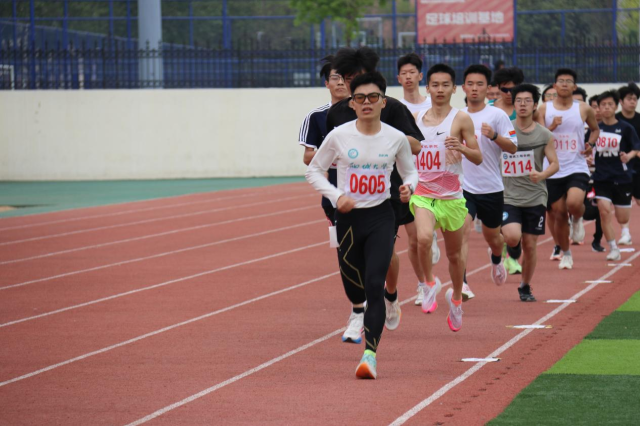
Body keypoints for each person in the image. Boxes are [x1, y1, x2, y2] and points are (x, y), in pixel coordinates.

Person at [306, 71, 418, 379]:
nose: (366, 102)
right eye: (359, 98)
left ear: (383, 101)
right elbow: (313, 171)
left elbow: (410, 171)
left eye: (373, 97)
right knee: (353, 286)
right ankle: (359, 310)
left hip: (382, 216)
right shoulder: (339, 135)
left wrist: (409, 187)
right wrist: (336, 196)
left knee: (374, 283)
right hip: (348, 219)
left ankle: (370, 355)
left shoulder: (395, 138)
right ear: (352, 103)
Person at [326, 47, 423, 343]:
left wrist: (382, 134)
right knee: (351, 259)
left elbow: (416, 145)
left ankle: (389, 295)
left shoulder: (391, 107)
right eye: (346, 78)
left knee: (383, 256)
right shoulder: (336, 114)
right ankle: (359, 310)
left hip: (388, 194)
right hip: (346, 197)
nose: (350, 83)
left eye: (356, 76)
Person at [410, 63, 483, 332]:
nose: (439, 90)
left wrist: (462, 149)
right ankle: (429, 283)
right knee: (423, 238)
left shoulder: (461, 119)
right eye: (435, 85)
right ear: (427, 88)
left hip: (451, 197)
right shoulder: (416, 118)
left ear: (454, 89)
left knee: (454, 256)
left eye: (445, 85)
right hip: (423, 194)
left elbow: (478, 157)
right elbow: (405, 151)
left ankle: (456, 299)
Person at [460, 64, 518, 300]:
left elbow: (513, 147)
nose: (474, 88)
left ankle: (496, 258)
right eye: (470, 84)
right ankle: (462, 283)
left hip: (491, 187)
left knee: (493, 238)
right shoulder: (457, 116)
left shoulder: (497, 115)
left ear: (487, 88)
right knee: (461, 231)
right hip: (463, 187)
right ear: (463, 87)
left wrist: (494, 135)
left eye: (480, 84)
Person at [536, 68, 599, 269]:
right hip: (552, 168)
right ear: (555, 86)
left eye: (568, 81)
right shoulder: (544, 109)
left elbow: (595, 129)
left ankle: (578, 218)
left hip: (576, 165)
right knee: (560, 214)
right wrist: (552, 127)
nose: (564, 84)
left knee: (574, 203)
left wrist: (590, 144)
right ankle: (566, 253)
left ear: (575, 86)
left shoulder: (583, 109)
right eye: (561, 81)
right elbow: (538, 135)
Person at [501, 84, 559, 302]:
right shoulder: (506, 130)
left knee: (530, 245)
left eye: (527, 101)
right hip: (509, 194)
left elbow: (555, 164)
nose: (523, 104)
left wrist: (542, 174)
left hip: (535, 196)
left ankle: (524, 286)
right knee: (512, 236)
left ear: (535, 105)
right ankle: (504, 249)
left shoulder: (544, 134)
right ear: (514, 104)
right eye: (519, 101)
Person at [396, 52, 441, 306]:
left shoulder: (431, 106)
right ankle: (423, 283)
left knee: (423, 236)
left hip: (433, 177)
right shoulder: (395, 108)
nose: (408, 77)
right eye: (403, 73)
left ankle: (430, 235)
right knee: (413, 240)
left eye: (412, 72)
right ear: (398, 78)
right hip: (407, 177)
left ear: (420, 76)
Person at [298, 56, 349, 222]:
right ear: (327, 83)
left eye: (345, 78)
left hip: (365, 186)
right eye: (335, 78)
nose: (340, 83)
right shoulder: (316, 116)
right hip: (333, 189)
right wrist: (336, 153)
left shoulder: (365, 113)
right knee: (340, 237)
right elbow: (307, 157)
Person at [592, 90, 640, 260]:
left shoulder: (626, 128)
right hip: (601, 178)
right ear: (598, 108)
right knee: (604, 211)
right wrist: (588, 156)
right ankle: (613, 248)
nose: (606, 107)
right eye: (603, 105)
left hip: (622, 177)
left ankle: (623, 232)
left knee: (622, 218)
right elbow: (587, 148)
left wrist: (629, 156)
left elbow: (636, 148)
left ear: (616, 106)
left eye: (610, 104)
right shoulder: (595, 129)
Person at [615, 82, 640, 245]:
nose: (633, 102)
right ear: (621, 101)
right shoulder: (615, 120)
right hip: (620, 167)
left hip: (638, 165)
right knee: (623, 201)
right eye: (629, 98)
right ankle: (625, 232)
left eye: (635, 99)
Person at [586, 94, 605, 253]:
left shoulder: (613, 129)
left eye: (600, 106)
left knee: (602, 209)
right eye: (594, 107)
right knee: (581, 208)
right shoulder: (584, 130)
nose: (597, 110)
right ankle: (574, 221)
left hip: (603, 176)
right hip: (584, 175)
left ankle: (597, 239)